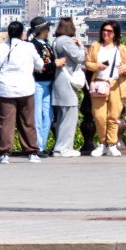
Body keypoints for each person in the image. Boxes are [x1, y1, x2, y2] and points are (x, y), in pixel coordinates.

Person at [0, 20, 43, 164]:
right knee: (27, 121)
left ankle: (5, 153)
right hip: (25, 88)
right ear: (21, 33)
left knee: (6, 122)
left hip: (5, 89)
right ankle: (31, 152)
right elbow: (39, 64)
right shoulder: (28, 47)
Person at [85, 20, 126, 157]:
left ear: (115, 33)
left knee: (113, 116)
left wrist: (124, 69)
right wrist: (97, 66)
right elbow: (88, 63)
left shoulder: (121, 49)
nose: (106, 33)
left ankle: (111, 144)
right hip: (99, 84)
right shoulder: (96, 46)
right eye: (104, 30)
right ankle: (102, 143)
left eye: (109, 31)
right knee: (99, 116)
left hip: (116, 85)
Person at [50, 18, 85, 157]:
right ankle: (63, 148)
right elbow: (80, 57)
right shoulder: (66, 41)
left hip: (59, 80)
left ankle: (62, 147)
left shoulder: (56, 41)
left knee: (62, 117)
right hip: (66, 82)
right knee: (70, 115)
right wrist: (80, 45)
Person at [28, 17, 57, 157]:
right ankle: (38, 146)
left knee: (48, 115)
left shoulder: (46, 43)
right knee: (37, 116)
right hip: (37, 83)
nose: (49, 31)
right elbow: (39, 67)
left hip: (48, 82)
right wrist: (54, 65)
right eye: (47, 29)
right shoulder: (33, 45)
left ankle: (42, 144)